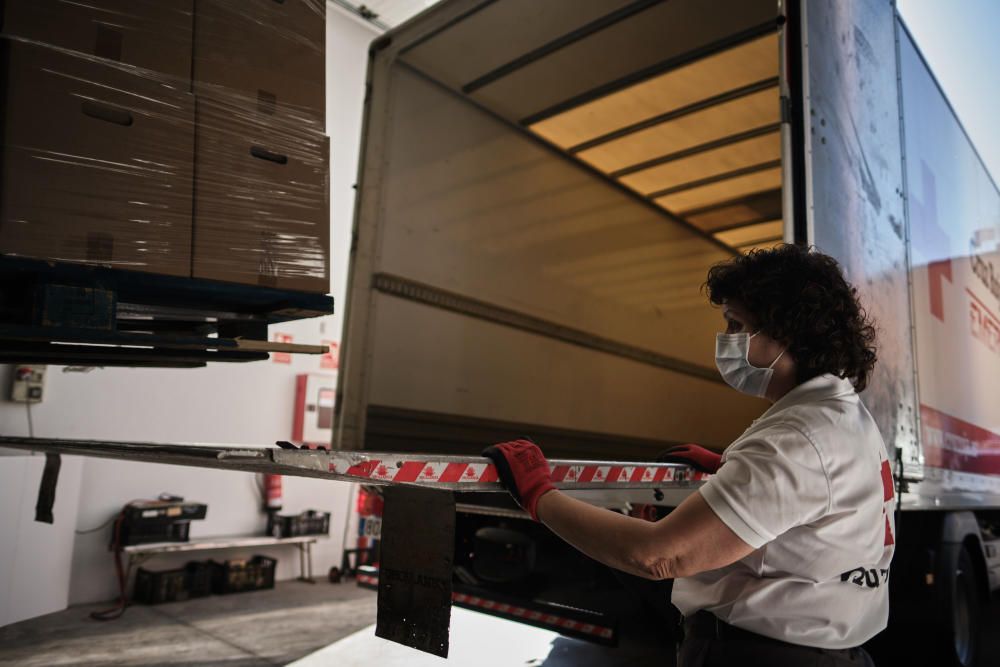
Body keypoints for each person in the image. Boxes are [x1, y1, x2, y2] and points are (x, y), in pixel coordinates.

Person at [483, 244, 894, 667]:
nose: (726, 340)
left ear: (786, 332)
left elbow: (660, 556)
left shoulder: (795, 439)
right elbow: (817, 498)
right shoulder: (842, 416)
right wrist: (732, 471)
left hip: (758, 656)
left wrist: (539, 495)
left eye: (736, 324)